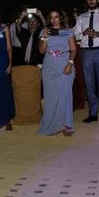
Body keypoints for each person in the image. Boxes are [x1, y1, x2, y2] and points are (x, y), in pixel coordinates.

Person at [38, 8, 77, 136]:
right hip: (49, 67)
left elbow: (74, 50)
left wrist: (70, 64)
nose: (54, 20)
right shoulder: (45, 31)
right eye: (52, 17)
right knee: (50, 98)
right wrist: (44, 38)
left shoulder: (68, 31)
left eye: (56, 17)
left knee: (65, 96)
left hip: (65, 66)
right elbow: (41, 51)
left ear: (60, 18)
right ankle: (51, 124)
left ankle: (66, 125)